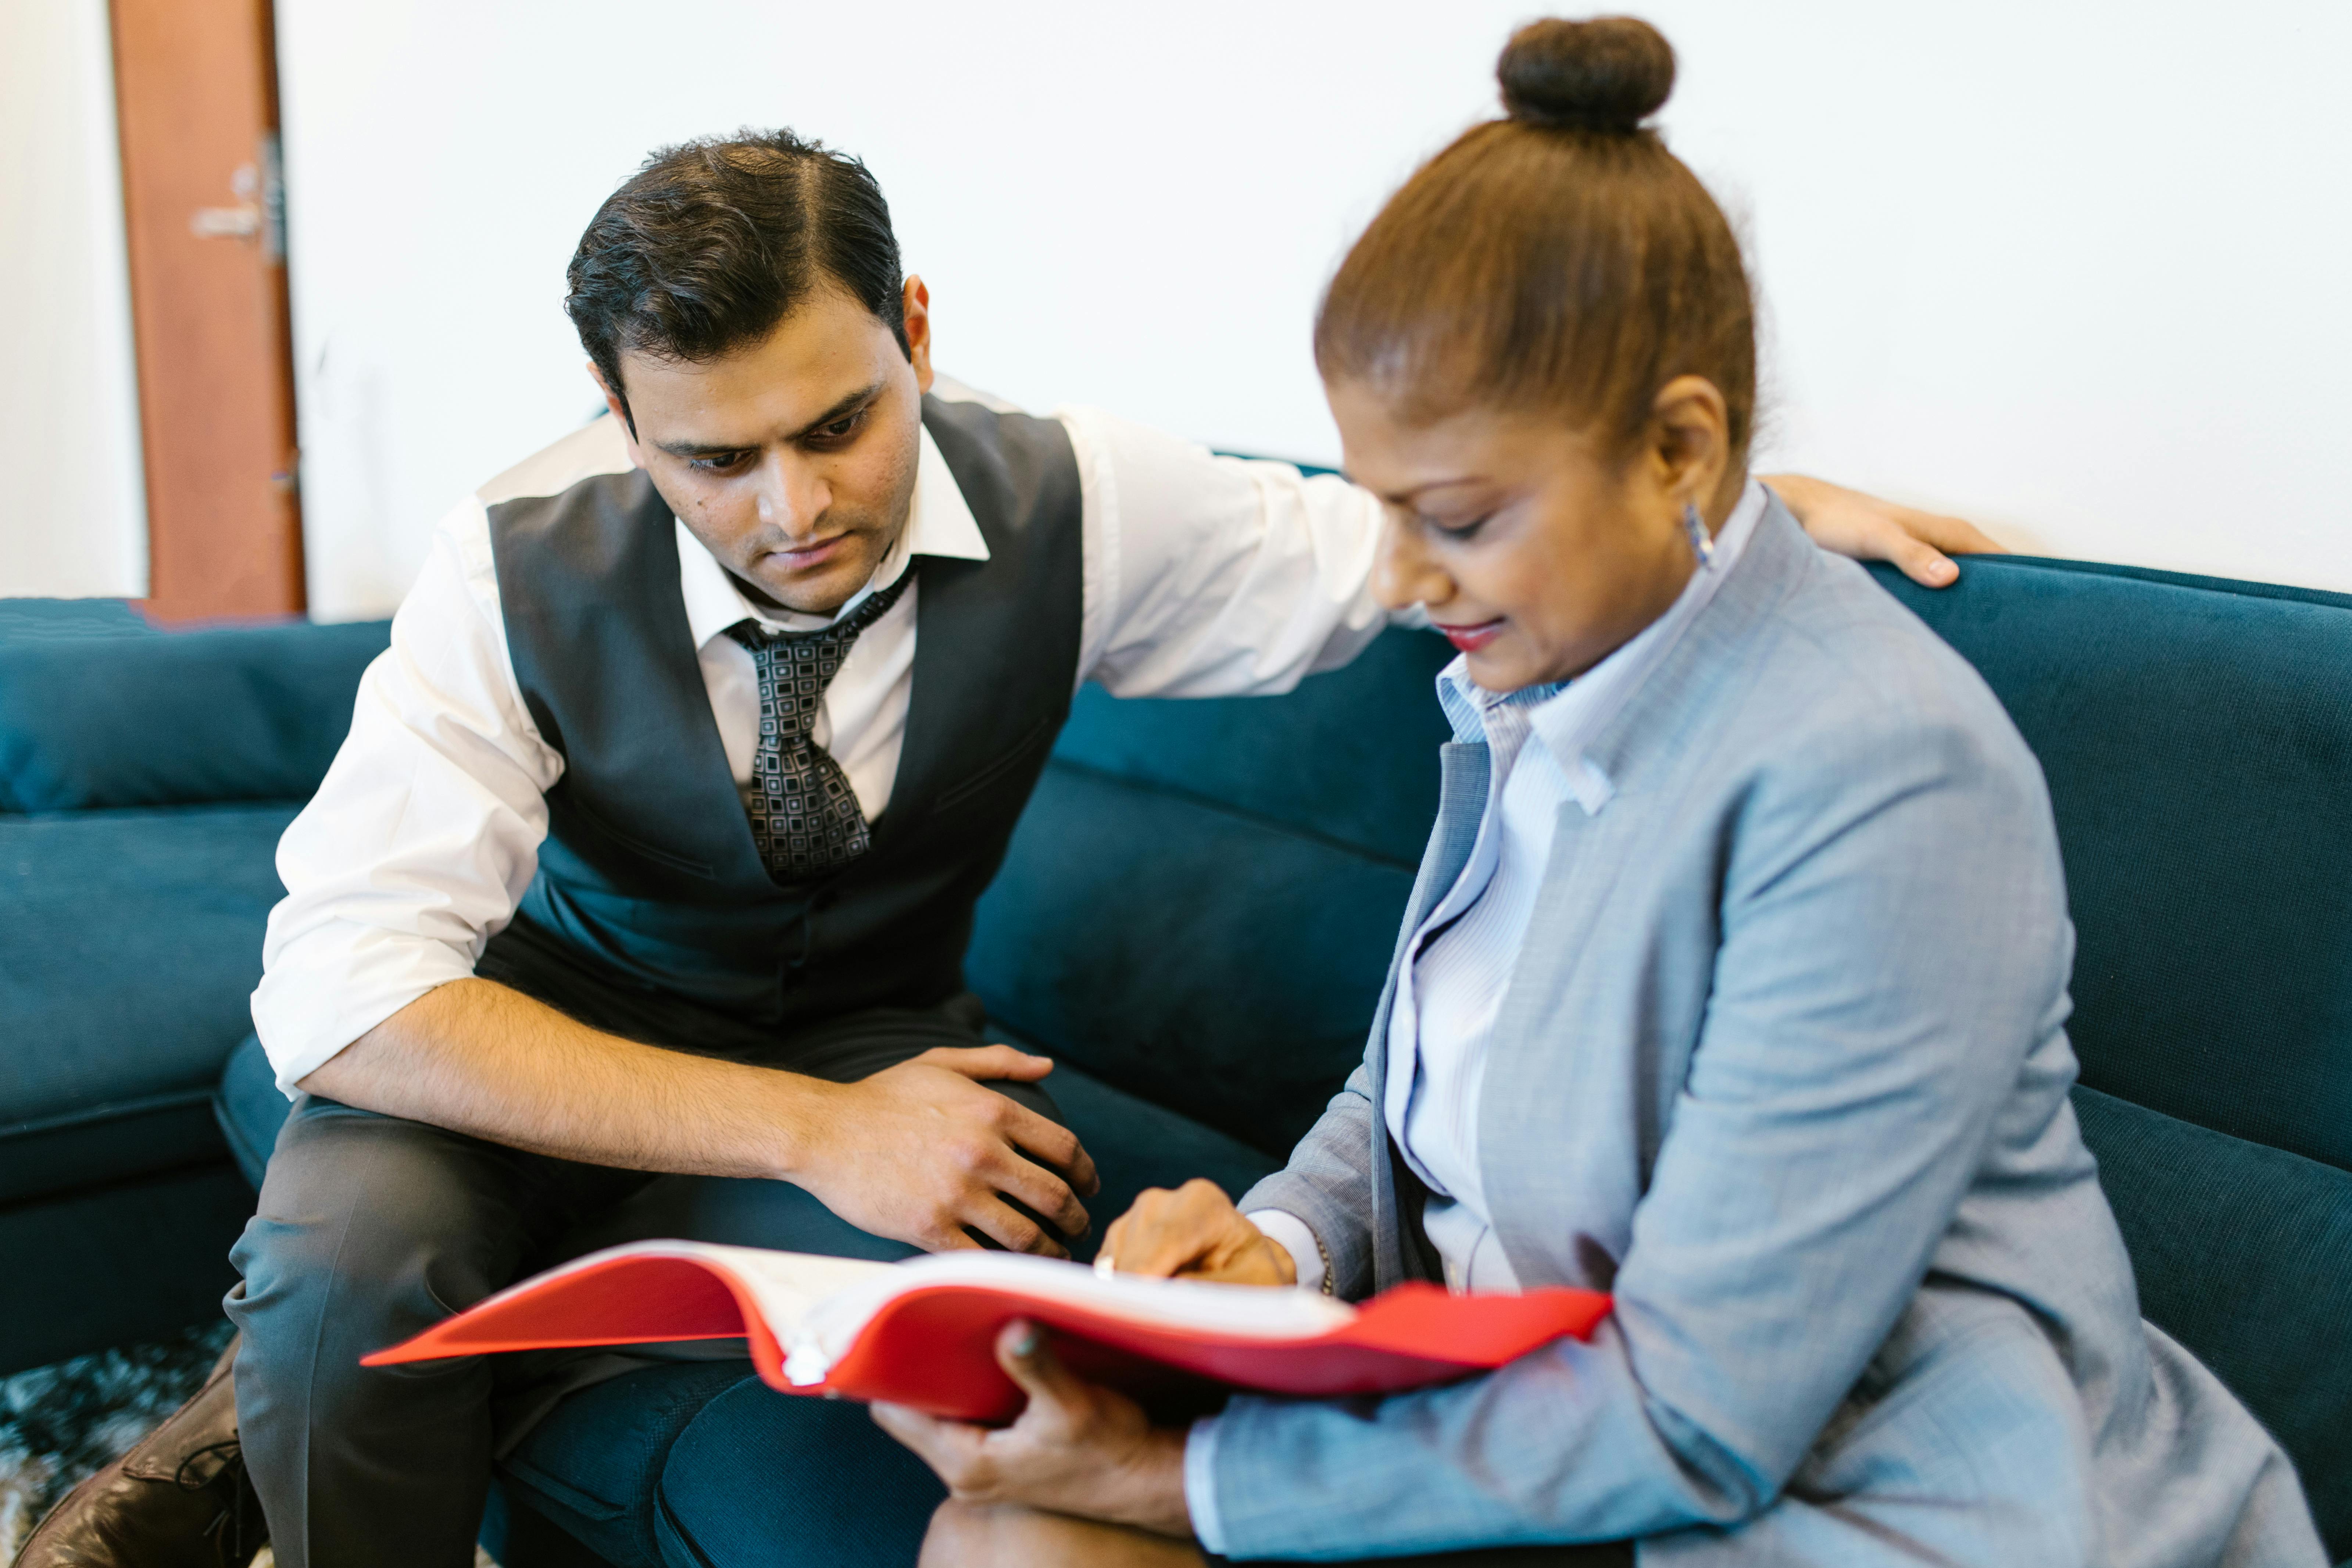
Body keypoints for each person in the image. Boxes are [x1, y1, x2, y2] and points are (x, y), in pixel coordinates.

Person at [19, 121, 1987, 1568]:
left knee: (1010, 1315)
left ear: (916, 331)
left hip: (876, 1044)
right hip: (522, 1033)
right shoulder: (503, 571)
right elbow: (346, 993)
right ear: (622, 429)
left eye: (840, 423)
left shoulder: (1082, 496)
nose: (793, 506)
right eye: (713, 459)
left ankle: (276, 1411)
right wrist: (803, 1130)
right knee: (355, 1272)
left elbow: (1381, 551)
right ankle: (294, 1425)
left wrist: (1683, 501)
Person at [869, 18, 2329, 1568]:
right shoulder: (1545, 675)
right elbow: (1422, 1088)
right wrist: (1273, 1246)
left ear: (1679, 450)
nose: (1407, 579)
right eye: (1378, 508)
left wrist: (1177, 1480)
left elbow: (1702, 1413)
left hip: (1853, 1511)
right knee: (1008, 1516)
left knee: (1038, 1531)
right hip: (1547, 1415)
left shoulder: (1884, 781)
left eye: (1461, 519)